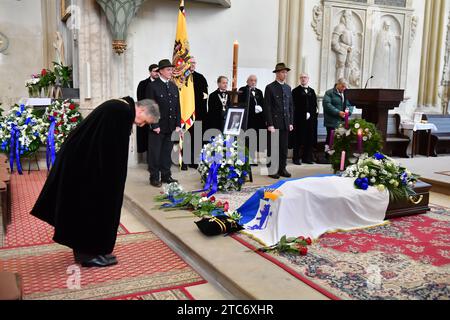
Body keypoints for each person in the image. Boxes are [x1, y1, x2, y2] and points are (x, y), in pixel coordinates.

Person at [31, 98, 160, 268]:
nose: (141, 125)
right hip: (83, 165)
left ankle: (92, 251)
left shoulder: (120, 107)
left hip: (82, 162)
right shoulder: (120, 112)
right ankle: (88, 255)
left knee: (87, 207)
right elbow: (110, 152)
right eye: (144, 122)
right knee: (89, 207)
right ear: (142, 110)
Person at [146, 59, 182, 187]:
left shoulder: (173, 86)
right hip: (158, 127)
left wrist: (178, 124)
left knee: (167, 152)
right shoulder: (152, 86)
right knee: (155, 153)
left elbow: (177, 106)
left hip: (171, 126)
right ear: (160, 71)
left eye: (171, 69)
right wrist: (154, 125)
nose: (171, 71)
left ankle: (166, 175)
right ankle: (154, 177)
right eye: (168, 69)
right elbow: (150, 107)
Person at [264, 63, 294, 179]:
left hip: (285, 122)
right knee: (273, 148)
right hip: (275, 123)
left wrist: (291, 122)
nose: (284, 74)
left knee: (283, 148)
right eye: (282, 72)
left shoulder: (288, 88)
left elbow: (291, 106)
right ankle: (272, 170)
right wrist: (270, 124)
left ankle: (282, 168)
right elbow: (267, 107)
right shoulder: (270, 87)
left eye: (286, 72)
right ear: (277, 73)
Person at [182, 57, 208, 170]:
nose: (193, 65)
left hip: (198, 114)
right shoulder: (182, 78)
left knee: (197, 138)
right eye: (191, 63)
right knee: (186, 138)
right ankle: (184, 161)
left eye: (194, 63)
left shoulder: (201, 78)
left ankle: (195, 161)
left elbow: (205, 96)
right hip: (185, 114)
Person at [322, 78, 354, 158]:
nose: (344, 88)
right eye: (343, 86)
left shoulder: (346, 93)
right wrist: (338, 112)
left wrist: (348, 112)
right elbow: (327, 105)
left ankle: (338, 156)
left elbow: (350, 104)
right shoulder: (329, 93)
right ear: (338, 84)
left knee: (340, 139)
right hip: (331, 120)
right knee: (330, 138)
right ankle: (328, 156)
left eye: (345, 87)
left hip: (342, 121)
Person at [291, 73, 319, 165]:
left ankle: (307, 157)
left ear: (308, 79)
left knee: (309, 138)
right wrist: (302, 114)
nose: (303, 79)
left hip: (310, 119)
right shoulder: (295, 91)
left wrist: (312, 114)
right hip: (299, 119)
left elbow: (314, 104)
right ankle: (296, 158)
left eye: (305, 77)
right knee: (298, 139)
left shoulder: (312, 91)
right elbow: (293, 106)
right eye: (302, 77)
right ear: (300, 79)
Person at [136, 64, 159, 154]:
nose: (156, 73)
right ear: (150, 72)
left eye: (158, 71)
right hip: (146, 114)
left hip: (158, 114)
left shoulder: (162, 84)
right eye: (154, 71)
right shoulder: (143, 84)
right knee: (147, 137)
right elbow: (140, 99)